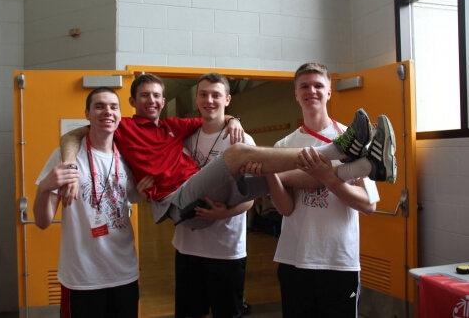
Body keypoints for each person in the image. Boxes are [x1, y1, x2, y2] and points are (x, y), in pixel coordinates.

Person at [60, 72, 396, 231]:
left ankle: (364, 167)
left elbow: (216, 114)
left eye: (156, 96)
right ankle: (336, 150)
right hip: (176, 203)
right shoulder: (121, 125)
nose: (151, 101)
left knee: (289, 178)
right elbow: (74, 134)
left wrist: (235, 117)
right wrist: (68, 164)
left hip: (204, 194)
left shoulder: (174, 125)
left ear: (163, 101)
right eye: (144, 96)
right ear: (132, 102)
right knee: (234, 156)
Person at [257, 62, 390, 317]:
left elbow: (368, 204)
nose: (312, 91)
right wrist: (268, 170)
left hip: (337, 261)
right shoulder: (283, 145)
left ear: (329, 92)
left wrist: (328, 178)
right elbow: (285, 208)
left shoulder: (354, 138)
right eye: (304, 86)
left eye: (319, 86)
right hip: (293, 258)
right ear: (296, 94)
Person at [33, 87, 149, 318]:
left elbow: (136, 196)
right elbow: (42, 221)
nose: (107, 111)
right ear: (87, 113)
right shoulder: (66, 157)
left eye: (113, 107)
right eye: (99, 106)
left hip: (124, 272)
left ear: (120, 114)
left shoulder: (127, 155)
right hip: (82, 277)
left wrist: (148, 190)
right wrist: (45, 187)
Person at [172, 73, 255, 318]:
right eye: (204, 94)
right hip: (187, 246)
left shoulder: (241, 140)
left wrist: (225, 213)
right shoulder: (184, 138)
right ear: (197, 99)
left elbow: (250, 197)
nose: (210, 100)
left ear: (227, 99)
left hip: (226, 248)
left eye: (216, 95)